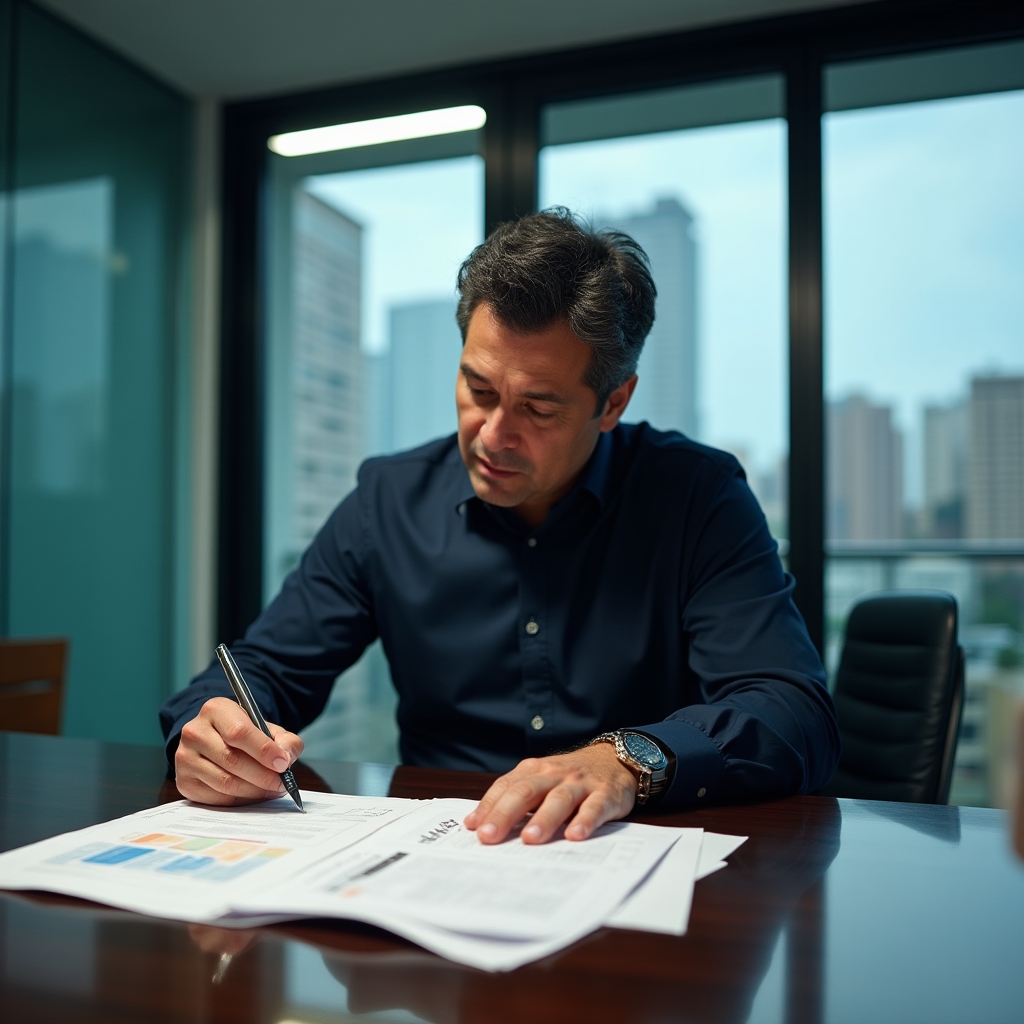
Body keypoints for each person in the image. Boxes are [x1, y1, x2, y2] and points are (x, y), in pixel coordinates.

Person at [161, 208, 839, 845]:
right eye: (478, 390)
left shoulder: (697, 498)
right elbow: (263, 666)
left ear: (614, 403)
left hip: (632, 857)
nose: (494, 435)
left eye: (538, 408)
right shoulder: (388, 501)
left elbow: (791, 710)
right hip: (434, 860)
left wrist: (627, 761)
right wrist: (213, 732)